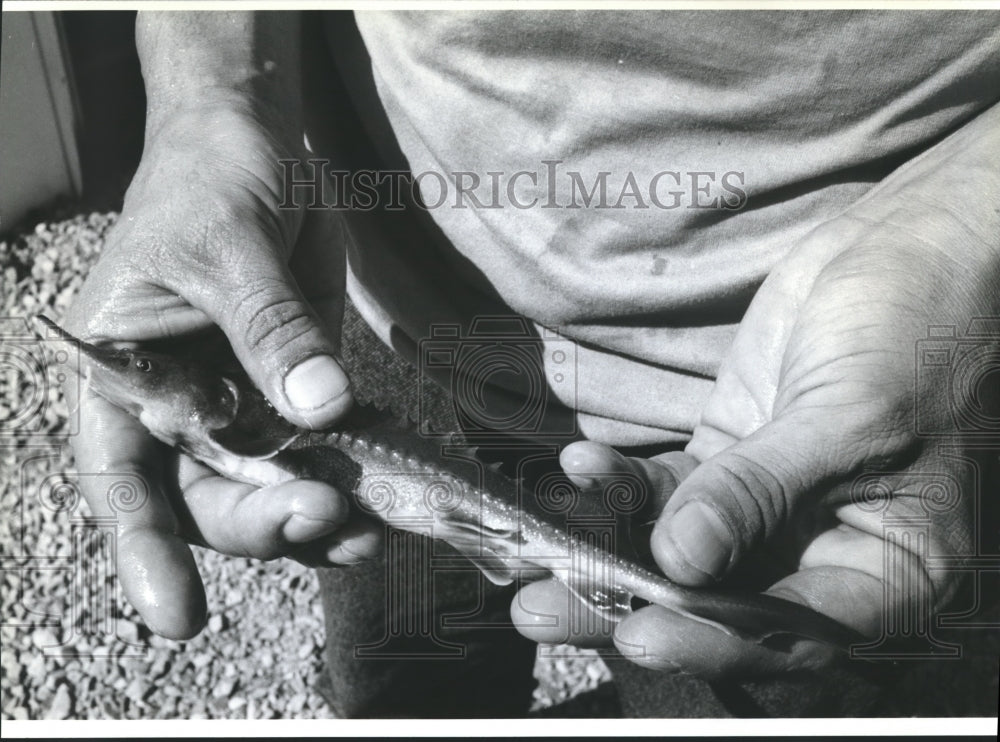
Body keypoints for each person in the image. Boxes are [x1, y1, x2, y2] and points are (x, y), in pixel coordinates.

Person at [64, 9, 1000, 717]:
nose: (122, 366)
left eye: (134, 365)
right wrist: (209, 101)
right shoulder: (253, 411)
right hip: (382, 330)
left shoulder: (251, 435)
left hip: (772, 406)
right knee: (403, 688)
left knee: (713, 667)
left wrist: (966, 236)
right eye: (132, 366)